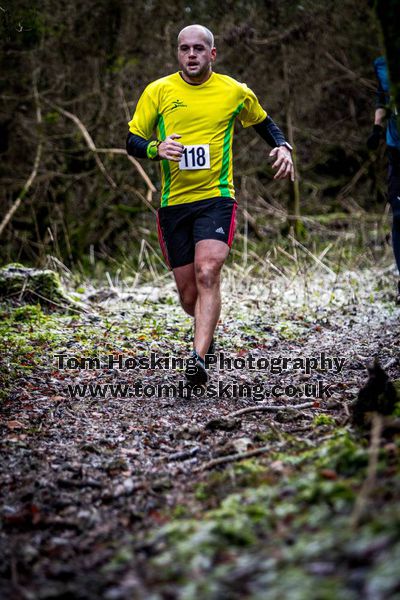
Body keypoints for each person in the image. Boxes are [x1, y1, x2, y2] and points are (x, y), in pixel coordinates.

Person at [126, 24, 294, 385]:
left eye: (198, 49)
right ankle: (207, 330)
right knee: (189, 295)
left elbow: (264, 123)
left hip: (217, 199)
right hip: (174, 204)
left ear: (211, 54)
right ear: (177, 53)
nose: (191, 55)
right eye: (184, 49)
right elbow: (132, 140)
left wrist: (283, 146)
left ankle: (197, 360)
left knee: (208, 272)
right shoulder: (158, 91)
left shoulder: (234, 91)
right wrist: (157, 149)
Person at [367, 55, 400, 304]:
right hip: (395, 147)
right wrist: (377, 128)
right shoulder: (382, 63)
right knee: (398, 214)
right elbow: (382, 97)